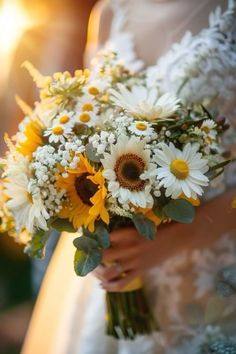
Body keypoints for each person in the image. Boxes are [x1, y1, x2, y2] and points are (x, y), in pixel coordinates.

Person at [22, 1, 236, 353]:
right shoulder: (110, 12)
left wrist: (176, 238)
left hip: (214, 277)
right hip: (118, 278)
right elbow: (89, 124)